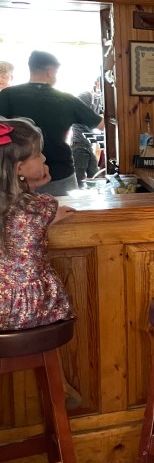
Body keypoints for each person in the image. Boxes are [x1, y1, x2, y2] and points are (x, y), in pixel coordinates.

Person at [0, 118, 80, 406]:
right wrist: (35, 187)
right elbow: (51, 211)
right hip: (31, 310)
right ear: (18, 168)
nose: (44, 157)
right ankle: (60, 389)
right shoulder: (39, 206)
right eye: (37, 154)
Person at [0, 50, 104, 197]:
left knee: (21, 218)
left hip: (17, 175)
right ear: (50, 71)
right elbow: (101, 125)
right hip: (60, 172)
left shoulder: (7, 95)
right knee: (65, 215)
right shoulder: (66, 99)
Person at [71, 90, 102, 185]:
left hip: (86, 146)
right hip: (79, 146)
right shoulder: (84, 99)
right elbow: (89, 122)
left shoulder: (94, 103)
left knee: (94, 176)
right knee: (79, 179)